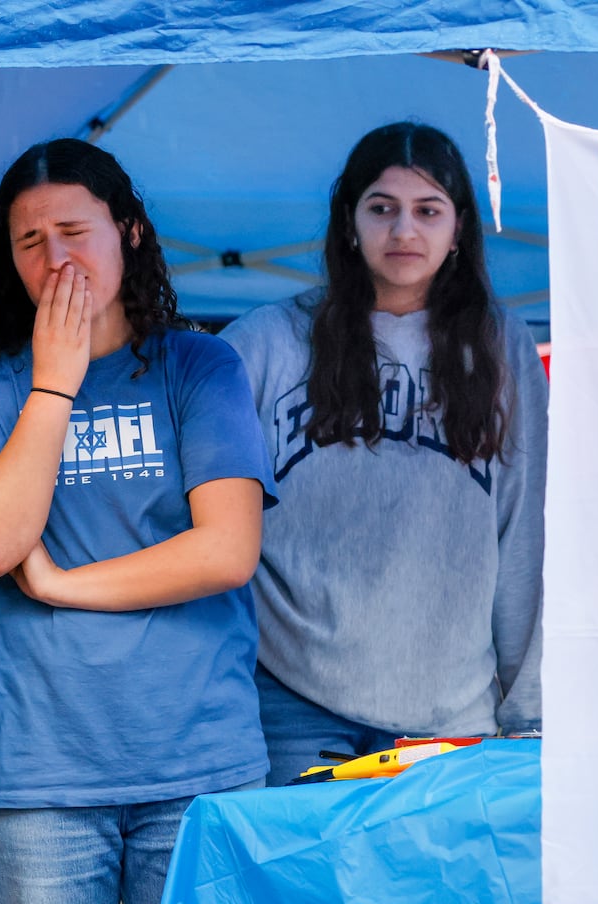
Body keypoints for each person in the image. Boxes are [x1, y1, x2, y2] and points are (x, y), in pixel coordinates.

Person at [0, 138, 274, 904]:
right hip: (43, 773)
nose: (54, 259)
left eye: (75, 232)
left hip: (198, 762)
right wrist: (54, 378)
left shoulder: (198, 369)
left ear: (128, 231)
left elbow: (226, 548)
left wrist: (63, 586)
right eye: (27, 241)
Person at [219, 121, 548, 787]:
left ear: (459, 231)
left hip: (448, 710)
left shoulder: (501, 349)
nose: (404, 231)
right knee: (304, 892)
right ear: (349, 221)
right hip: (291, 701)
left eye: (428, 211)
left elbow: (526, 534)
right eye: (382, 208)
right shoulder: (262, 344)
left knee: (434, 895)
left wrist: (531, 713)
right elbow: (209, 524)